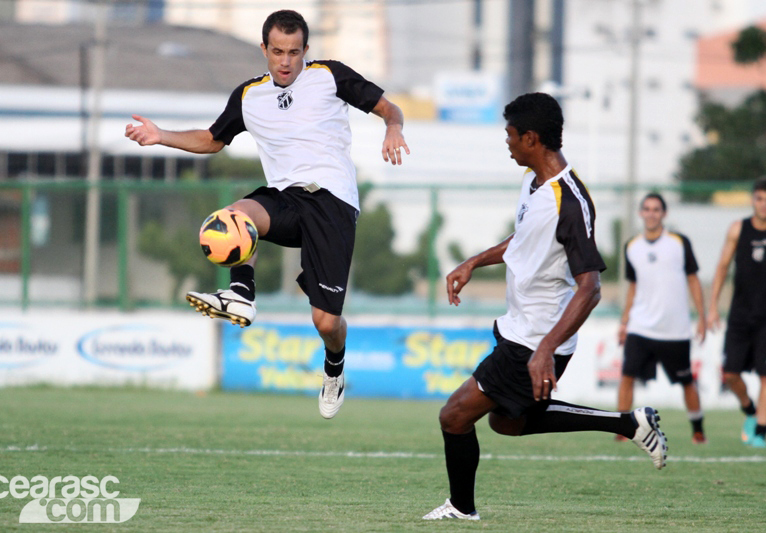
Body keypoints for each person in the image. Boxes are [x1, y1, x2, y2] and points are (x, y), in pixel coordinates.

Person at [125, 10, 409, 420]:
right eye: (277, 51)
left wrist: (394, 128)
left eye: (294, 52)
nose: (286, 60)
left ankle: (334, 370)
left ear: (306, 51)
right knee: (232, 217)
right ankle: (241, 295)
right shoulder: (249, 96)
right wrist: (160, 135)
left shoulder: (330, 76)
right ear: (264, 49)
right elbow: (211, 139)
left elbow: (388, 107)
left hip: (333, 204)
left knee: (326, 323)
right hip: (286, 199)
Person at [422, 93, 667, 522]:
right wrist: (475, 261)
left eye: (510, 136)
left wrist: (544, 349)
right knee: (508, 422)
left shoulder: (569, 203)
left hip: (535, 338)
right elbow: (524, 241)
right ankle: (629, 423)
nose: (507, 142)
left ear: (531, 139)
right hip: (521, 328)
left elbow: (590, 287)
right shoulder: (535, 182)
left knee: (454, 416)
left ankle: (462, 509)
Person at [616, 193, 707, 444]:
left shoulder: (679, 243)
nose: (651, 213)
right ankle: (622, 429)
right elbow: (633, 286)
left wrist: (702, 316)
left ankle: (698, 429)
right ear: (641, 213)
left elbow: (693, 279)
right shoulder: (632, 246)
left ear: (664, 214)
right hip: (640, 326)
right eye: (646, 209)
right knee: (627, 375)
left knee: (686, 381)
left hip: (674, 329)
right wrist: (624, 322)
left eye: (656, 209)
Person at [708, 178, 766, 448]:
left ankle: (760, 432)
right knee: (731, 374)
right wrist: (712, 306)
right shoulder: (738, 229)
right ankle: (749, 410)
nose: (764, 204)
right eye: (759, 198)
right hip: (739, 315)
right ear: (752, 200)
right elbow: (722, 267)